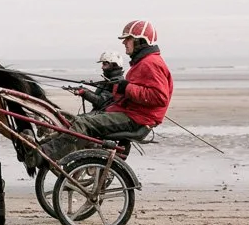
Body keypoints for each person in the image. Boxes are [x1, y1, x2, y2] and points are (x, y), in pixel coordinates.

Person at [30, 20, 173, 165]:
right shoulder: (143, 62)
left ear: (140, 40)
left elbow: (160, 97)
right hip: (132, 114)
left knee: (84, 124)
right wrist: (121, 89)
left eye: (128, 39)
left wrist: (127, 88)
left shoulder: (150, 63)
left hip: (137, 118)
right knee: (77, 121)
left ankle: (43, 154)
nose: (124, 43)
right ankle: (40, 146)